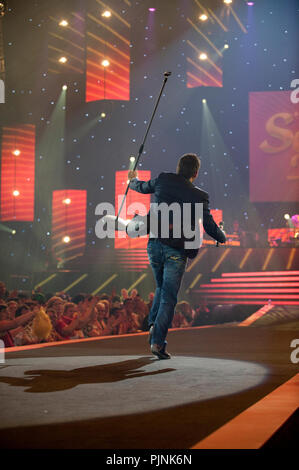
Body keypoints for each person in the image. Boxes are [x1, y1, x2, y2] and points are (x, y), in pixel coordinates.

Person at [127, 153, 226, 359]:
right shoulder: (199, 195)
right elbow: (209, 226)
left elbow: (140, 187)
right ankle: (157, 342)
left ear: (178, 167)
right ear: (196, 173)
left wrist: (132, 178)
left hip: (154, 245)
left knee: (162, 288)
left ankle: (154, 324)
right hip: (176, 250)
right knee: (169, 298)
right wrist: (222, 236)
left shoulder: (163, 179)